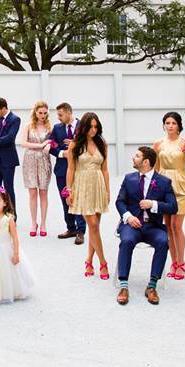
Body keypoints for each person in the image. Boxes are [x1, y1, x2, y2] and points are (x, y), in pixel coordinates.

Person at [115, 147, 178, 306]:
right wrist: (128, 217)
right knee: (127, 241)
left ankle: (152, 286)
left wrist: (153, 204)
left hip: (153, 226)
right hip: (132, 226)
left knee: (163, 242)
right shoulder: (129, 179)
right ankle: (123, 286)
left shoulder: (164, 182)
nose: (133, 158)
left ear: (146, 162)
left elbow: (173, 207)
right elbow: (120, 202)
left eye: (137, 156)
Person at [65, 112, 110, 281]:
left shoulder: (102, 144)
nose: (93, 130)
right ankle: (103, 262)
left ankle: (89, 261)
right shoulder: (75, 145)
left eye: (95, 127)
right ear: (83, 127)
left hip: (98, 185)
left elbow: (105, 169)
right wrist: (69, 190)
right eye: (90, 126)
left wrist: (107, 190)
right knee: (93, 225)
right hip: (81, 186)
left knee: (94, 227)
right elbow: (71, 169)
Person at [154, 111, 185, 281]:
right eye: (167, 123)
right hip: (164, 184)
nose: (170, 126)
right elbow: (156, 168)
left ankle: (182, 262)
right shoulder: (158, 144)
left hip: (181, 184)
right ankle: (173, 262)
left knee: (177, 225)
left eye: (173, 123)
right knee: (168, 225)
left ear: (179, 125)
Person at [0, 188, 34, 308]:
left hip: (6, 249)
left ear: (5, 203)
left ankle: (12, 291)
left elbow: (14, 237)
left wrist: (16, 254)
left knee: (8, 271)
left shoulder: (9, 219)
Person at [49, 103, 85, 245]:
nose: (58, 118)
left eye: (60, 115)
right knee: (66, 200)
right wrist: (62, 153)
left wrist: (76, 144)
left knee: (78, 199)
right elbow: (51, 145)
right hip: (62, 170)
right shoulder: (57, 128)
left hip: (80, 169)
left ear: (69, 113)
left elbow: (92, 143)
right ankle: (71, 228)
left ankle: (81, 231)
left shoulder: (84, 125)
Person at [20, 100, 53, 237]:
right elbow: (23, 143)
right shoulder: (28, 125)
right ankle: (34, 223)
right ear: (35, 112)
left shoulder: (50, 127)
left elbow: (53, 141)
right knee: (32, 192)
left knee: (44, 192)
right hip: (30, 160)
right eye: (40, 112)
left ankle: (43, 222)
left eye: (45, 113)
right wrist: (41, 145)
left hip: (44, 160)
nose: (43, 115)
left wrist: (49, 145)